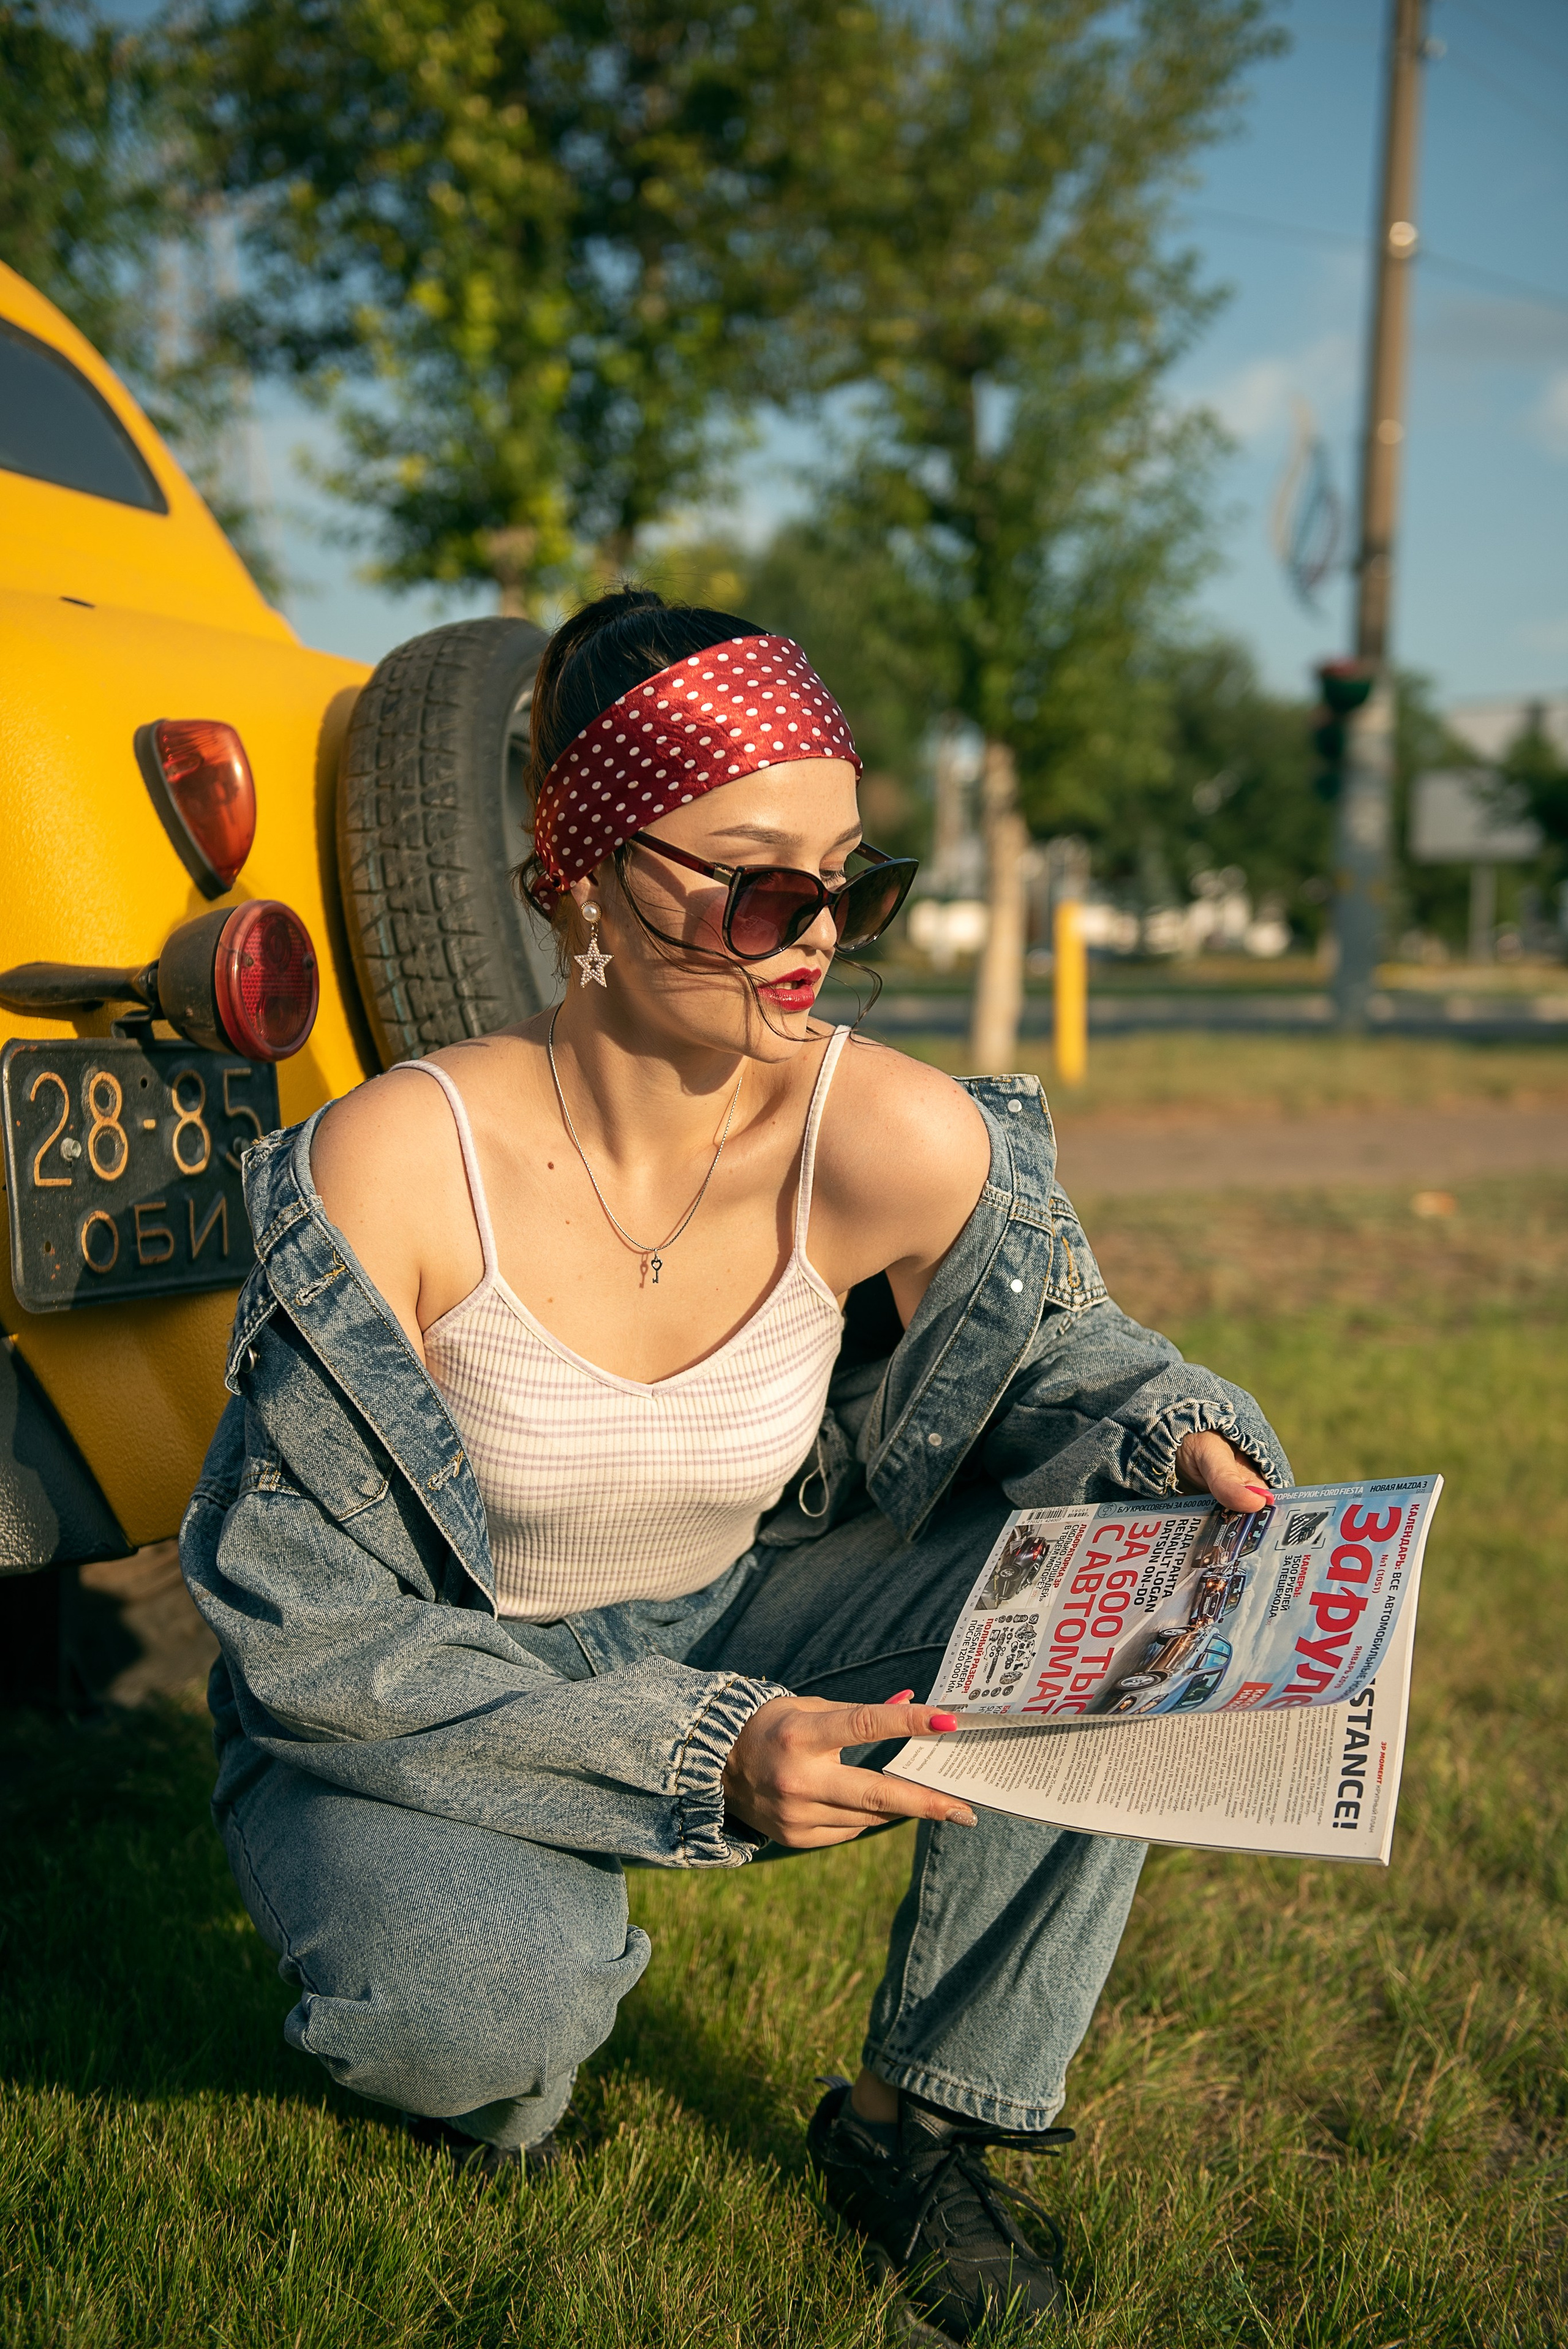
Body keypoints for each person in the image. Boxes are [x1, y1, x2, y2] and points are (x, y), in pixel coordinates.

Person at [182, 588, 1287, 2342]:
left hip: (747, 1610)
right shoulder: (396, 1162)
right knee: (480, 2020)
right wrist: (692, 1754)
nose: (817, 934)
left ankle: (917, 2125)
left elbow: (1080, 1372)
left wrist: (1178, 1439)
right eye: (760, 882)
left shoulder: (892, 1132)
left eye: (853, 881)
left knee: (1155, 1556)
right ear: (579, 878)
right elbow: (305, 1628)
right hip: (426, 1687)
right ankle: (506, 2023)